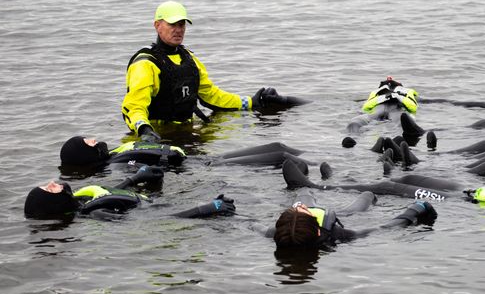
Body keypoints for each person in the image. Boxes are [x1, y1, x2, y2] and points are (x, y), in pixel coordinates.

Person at [122, 0, 308, 142]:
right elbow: (134, 107)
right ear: (157, 25)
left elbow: (212, 96)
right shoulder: (145, 64)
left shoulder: (190, 59)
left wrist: (250, 102)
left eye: (182, 25)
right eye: (173, 25)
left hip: (187, 131)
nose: (178, 30)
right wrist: (144, 130)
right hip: (156, 136)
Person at [280, 159, 485, 221]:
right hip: (475, 186)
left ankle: (310, 187)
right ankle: (400, 159)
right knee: (414, 176)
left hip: (463, 200)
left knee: (390, 187)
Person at [59, 135, 330, 178]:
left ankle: (322, 158)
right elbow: (141, 168)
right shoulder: (117, 165)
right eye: (89, 141)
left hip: (205, 158)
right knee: (279, 156)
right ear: (86, 151)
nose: (95, 139)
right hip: (208, 167)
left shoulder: (116, 153)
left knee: (277, 144)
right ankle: (326, 168)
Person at [24, 166, 236, 220]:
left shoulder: (84, 200)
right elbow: (158, 220)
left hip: (156, 201)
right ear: (53, 203)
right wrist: (207, 209)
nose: (52, 182)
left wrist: (136, 177)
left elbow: (111, 192)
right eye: (48, 188)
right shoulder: (96, 214)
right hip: (167, 209)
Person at [255, 191, 437, 248]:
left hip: (301, 228)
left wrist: (226, 209)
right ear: (319, 230)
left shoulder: (275, 233)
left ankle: (305, 187)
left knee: (303, 192)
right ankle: (370, 197)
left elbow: (249, 223)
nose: (302, 207)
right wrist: (416, 208)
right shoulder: (339, 234)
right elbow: (387, 227)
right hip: (347, 215)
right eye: (304, 210)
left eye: (298, 208)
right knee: (367, 195)